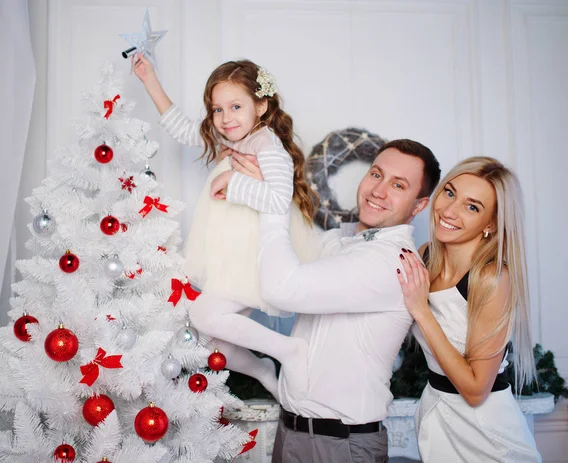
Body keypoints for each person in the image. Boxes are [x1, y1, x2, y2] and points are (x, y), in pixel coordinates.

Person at [232, 139, 441, 462]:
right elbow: (272, 269)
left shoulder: (391, 261)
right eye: (376, 174)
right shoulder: (339, 242)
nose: (379, 191)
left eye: (398, 185)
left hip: (339, 445)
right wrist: (266, 185)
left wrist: (271, 203)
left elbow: (282, 289)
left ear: (418, 205)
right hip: (293, 433)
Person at [133, 56, 318, 398]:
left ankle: (290, 351)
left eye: (235, 106)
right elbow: (185, 129)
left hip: (251, 255)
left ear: (261, 105)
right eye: (217, 109)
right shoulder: (231, 137)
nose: (225, 118)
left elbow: (278, 199)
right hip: (227, 253)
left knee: (204, 316)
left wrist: (233, 180)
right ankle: (264, 370)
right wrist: (149, 80)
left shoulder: (267, 145)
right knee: (216, 342)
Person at [396, 156, 541, 462]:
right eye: (449, 193)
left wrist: (421, 311)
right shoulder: (425, 256)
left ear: (490, 224)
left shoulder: (491, 277)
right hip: (436, 413)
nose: (448, 211)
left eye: (471, 206)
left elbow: (476, 390)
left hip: (486, 432)